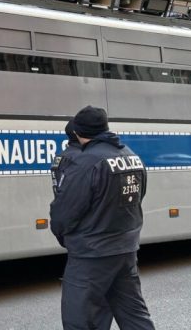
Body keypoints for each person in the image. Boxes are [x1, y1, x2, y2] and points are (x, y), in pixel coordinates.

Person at [49, 106, 154, 330]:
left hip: (91, 254)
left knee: (81, 320)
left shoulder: (86, 163)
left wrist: (65, 237)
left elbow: (65, 212)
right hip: (126, 250)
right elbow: (138, 198)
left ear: (77, 132)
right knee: (134, 315)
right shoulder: (130, 155)